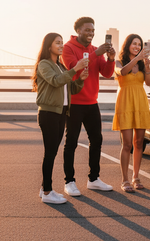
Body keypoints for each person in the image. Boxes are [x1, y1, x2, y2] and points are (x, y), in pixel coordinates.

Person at [61, 17, 116, 196]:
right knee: (71, 143)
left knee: (97, 140)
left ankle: (94, 179)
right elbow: (73, 67)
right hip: (75, 103)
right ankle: (69, 181)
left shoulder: (95, 50)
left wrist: (111, 58)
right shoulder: (68, 48)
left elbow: (107, 74)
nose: (91, 33)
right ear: (78, 30)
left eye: (92, 30)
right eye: (87, 30)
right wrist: (96, 53)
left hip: (92, 103)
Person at [32, 33, 88, 204]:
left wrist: (80, 80)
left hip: (61, 112)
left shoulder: (60, 66)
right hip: (48, 113)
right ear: (49, 46)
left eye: (62, 42)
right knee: (50, 153)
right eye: (58, 43)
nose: (61, 45)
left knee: (53, 152)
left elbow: (70, 88)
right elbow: (55, 81)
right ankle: (48, 192)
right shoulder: (44, 64)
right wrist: (75, 69)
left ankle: (44, 189)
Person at [112, 34, 150, 193]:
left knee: (139, 143)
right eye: (134, 44)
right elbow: (121, 72)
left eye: (139, 44)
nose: (137, 47)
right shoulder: (118, 62)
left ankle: (136, 177)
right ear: (128, 45)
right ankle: (125, 179)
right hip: (125, 104)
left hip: (140, 104)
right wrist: (137, 59)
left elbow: (148, 83)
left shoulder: (142, 63)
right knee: (127, 144)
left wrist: (148, 68)